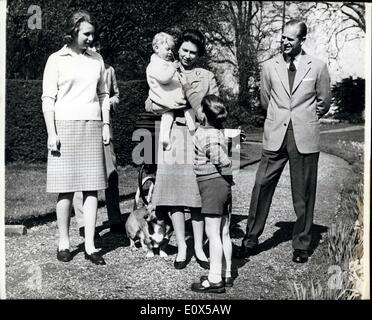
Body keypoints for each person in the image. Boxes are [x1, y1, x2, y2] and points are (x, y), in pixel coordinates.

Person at [238, 19, 331, 263]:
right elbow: (265, 100)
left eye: (290, 38)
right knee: (261, 186)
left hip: (304, 137)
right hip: (274, 135)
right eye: (283, 37)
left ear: (302, 40)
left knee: (303, 193)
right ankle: (249, 240)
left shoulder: (318, 67)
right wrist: (279, 118)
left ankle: (301, 245)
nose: (285, 42)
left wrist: (304, 119)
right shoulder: (269, 66)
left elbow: (324, 102)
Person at [42, 10, 110, 265]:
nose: (91, 38)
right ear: (73, 32)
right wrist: (52, 132)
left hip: (92, 125)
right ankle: (64, 242)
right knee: (65, 190)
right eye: (86, 33)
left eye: (93, 34)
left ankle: (91, 245)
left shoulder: (97, 60)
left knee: (92, 188)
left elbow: (103, 95)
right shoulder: (56, 59)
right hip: (64, 126)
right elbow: (48, 98)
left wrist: (105, 125)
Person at [146, 29, 219, 269]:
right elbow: (149, 102)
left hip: (196, 134)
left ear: (199, 55)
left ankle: (198, 246)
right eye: (184, 50)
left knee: (197, 195)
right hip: (173, 136)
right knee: (175, 196)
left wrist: (196, 111)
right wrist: (166, 104)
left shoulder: (206, 76)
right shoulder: (164, 67)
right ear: (178, 49)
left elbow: (216, 108)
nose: (187, 55)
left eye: (193, 52)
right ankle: (182, 246)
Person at [73, 40, 125, 237]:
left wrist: (108, 101)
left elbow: (116, 95)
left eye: (99, 48)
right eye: (93, 47)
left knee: (111, 173)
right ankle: (84, 224)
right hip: (83, 124)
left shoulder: (109, 69)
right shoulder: (77, 67)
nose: (96, 51)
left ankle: (115, 219)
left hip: (104, 125)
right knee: (81, 174)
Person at [191, 95, 233, 294]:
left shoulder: (204, 134)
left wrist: (224, 163)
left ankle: (214, 279)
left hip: (211, 185)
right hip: (223, 185)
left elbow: (222, 160)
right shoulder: (217, 131)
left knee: (213, 234)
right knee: (224, 232)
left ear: (205, 115)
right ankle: (226, 273)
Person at [146, 32, 195, 151]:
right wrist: (173, 68)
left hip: (165, 99)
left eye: (172, 49)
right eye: (168, 49)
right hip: (166, 97)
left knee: (167, 115)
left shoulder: (163, 63)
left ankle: (165, 138)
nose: (170, 52)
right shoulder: (155, 64)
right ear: (156, 48)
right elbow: (164, 78)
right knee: (188, 107)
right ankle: (193, 131)